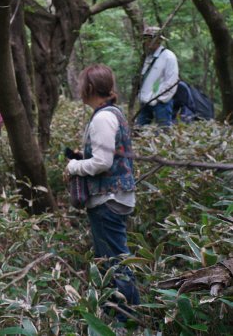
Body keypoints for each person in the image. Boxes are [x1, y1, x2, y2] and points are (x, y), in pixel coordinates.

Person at [65, 64, 140, 320]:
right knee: (110, 260)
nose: (77, 88)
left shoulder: (103, 118)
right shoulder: (110, 114)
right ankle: (116, 312)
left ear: (89, 88)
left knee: (115, 262)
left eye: (80, 83)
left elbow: (102, 163)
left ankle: (127, 320)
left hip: (109, 199)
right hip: (113, 196)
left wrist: (74, 165)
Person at [136, 26, 178, 127]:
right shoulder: (146, 57)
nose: (146, 42)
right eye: (145, 39)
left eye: (149, 39)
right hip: (144, 102)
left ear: (158, 40)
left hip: (161, 104)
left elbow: (172, 81)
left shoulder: (168, 56)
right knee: (139, 131)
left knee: (163, 131)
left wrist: (160, 99)